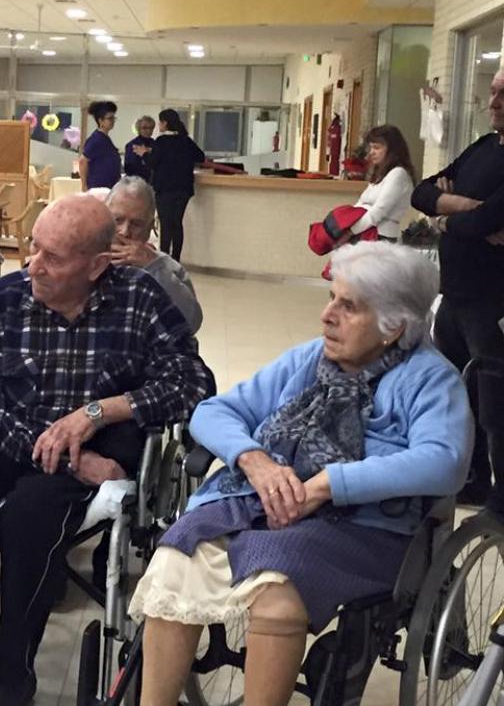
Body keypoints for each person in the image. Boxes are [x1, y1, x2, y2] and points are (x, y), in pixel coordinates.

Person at [0, 194, 215, 706]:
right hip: (24, 442)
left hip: (90, 457)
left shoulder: (139, 300)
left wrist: (99, 412)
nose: (33, 265)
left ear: (97, 266)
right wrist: (62, 452)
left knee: (30, 511)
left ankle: (11, 672)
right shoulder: (6, 298)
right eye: (34, 248)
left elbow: (193, 383)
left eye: (52, 257)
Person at [129, 241, 473, 706]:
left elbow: (444, 461)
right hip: (263, 499)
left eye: (348, 306)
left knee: (277, 592)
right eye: (331, 298)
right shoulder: (310, 359)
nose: (327, 316)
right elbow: (214, 411)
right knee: (176, 558)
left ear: (394, 327)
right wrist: (255, 460)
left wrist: (329, 484)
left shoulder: (429, 378)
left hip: (363, 524)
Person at [411, 68, 504, 506]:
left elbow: (489, 221)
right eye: (493, 92)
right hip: (454, 296)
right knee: (455, 394)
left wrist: (448, 217)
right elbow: (421, 192)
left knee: (495, 404)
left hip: (493, 302)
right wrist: (464, 209)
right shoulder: (484, 146)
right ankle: (471, 479)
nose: (494, 103)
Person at [106, 176, 203, 334]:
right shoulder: (84, 259)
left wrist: (154, 267)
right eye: (118, 220)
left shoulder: (167, 267)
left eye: (136, 224)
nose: (125, 231)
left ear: (150, 227)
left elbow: (191, 323)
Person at [341, 125, 415, 243]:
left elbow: (380, 210)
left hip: (381, 236)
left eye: (376, 148)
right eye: (370, 148)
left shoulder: (398, 174)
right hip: (365, 232)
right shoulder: (381, 174)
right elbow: (362, 202)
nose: (371, 153)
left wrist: (350, 231)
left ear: (392, 150)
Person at [149, 108, 205, 261]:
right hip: (183, 189)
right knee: (177, 223)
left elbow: (152, 163)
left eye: (160, 122)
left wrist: (145, 153)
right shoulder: (185, 140)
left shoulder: (161, 142)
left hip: (165, 189)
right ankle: (176, 259)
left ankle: (164, 258)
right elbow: (200, 156)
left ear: (165, 123)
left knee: (166, 224)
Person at [80, 100, 121, 190]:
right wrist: (84, 186)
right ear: (100, 120)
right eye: (110, 118)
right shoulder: (96, 139)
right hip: (98, 187)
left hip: (107, 186)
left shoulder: (105, 138)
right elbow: (83, 161)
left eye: (113, 118)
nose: (113, 121)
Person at [124, 115, 156, 181]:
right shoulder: (132, 145)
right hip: (138, 180)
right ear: (139, 129)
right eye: (144, 128)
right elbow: (129, 168)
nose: (148, 130)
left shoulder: (155, 143)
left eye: (151, 128)